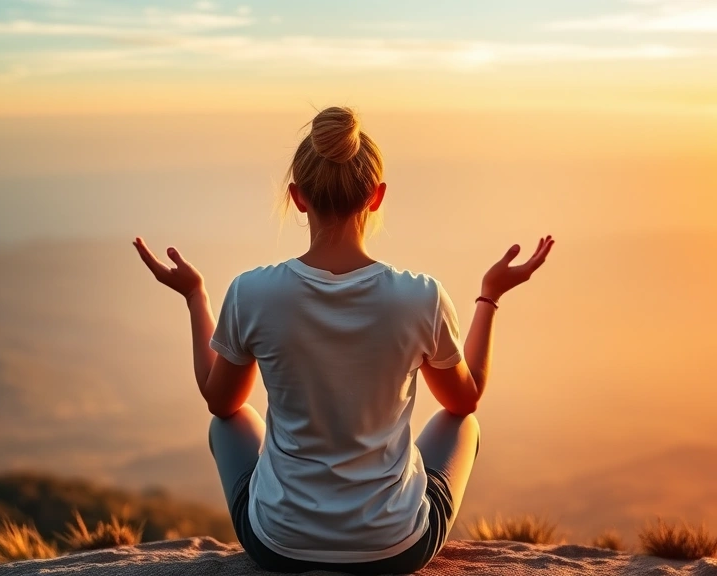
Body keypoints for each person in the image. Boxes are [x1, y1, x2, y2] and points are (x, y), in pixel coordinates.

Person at [132, 106, 554, 574]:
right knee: (463, 424)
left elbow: (220, 400)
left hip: (279, 546)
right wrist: (488, 296)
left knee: (229, 423)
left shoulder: (252, 292)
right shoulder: (420, 296)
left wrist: (195, 296)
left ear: (297, 197)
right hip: (395, 549)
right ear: (376, 197)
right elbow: (464, 399)